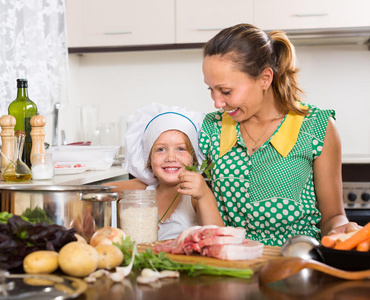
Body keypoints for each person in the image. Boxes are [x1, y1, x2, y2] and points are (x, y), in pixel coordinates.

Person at [199, 23, 360, 246]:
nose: (217, 102)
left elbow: (332, 216)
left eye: (226, 91)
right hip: (229, 266)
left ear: (265, 78)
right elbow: (161, 175)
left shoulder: (316, 126)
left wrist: (341, 229)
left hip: (295, 264)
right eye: (211, 89)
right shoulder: (211, 128)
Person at [108, 103, 224, 241]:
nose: (170, 158)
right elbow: (100, 192)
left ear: (193, 159)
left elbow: (218, 238)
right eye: (160, 149)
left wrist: (204, 194)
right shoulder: (144, 190)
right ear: (148, 159)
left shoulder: (194, 196)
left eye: (181, 149)